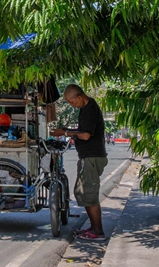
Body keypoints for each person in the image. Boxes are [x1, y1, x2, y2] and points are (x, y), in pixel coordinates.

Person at [50, 84, 108, 241]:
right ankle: (93, 228)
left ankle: (98, 231)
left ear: (79, 97)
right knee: (84, 193)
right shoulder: (85, 108)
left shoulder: (90, 109)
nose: (71, 105)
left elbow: (86, 135)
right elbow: (82, 131)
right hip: (88, 157)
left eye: (72, 102)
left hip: (92, 157)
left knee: (88, 193)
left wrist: (65, 132)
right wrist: (67, 129)